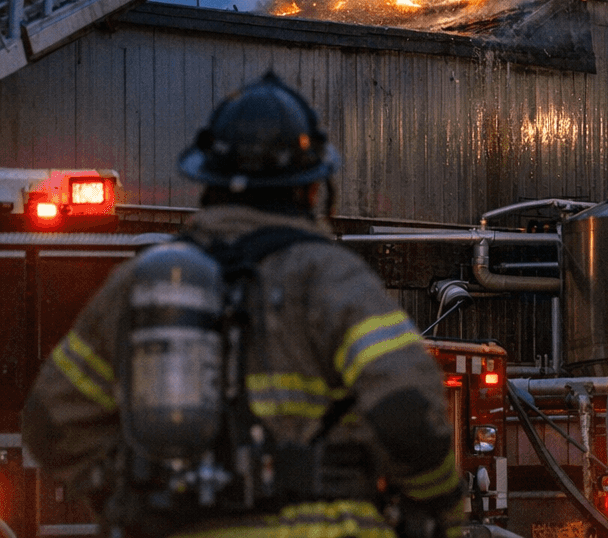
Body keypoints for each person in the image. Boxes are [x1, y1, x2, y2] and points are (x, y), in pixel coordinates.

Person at [21, 72, 462, 538]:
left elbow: (50, 423)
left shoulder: (142, 284)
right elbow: (409, 415)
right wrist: (442, 511)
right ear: (311, 188)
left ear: (206, 182)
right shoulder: (333, 279)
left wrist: (132, 493)